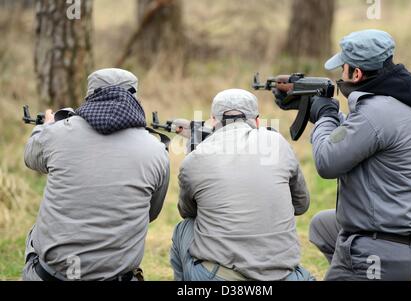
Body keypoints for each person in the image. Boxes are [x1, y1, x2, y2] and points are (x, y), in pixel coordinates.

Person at [295, 29, 411, 280]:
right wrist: (320, 114)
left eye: (344, 68)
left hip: (385, 250)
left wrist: (326, 117)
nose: (341, 75)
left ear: (357, 73)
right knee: (322, 226)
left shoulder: (375, 113)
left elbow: (327, 162)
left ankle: (360, 273)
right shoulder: (400, 99)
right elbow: (359, 134)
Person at [22, 68, 170, 281]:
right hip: (116, 276)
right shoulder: (156, 150)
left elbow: (31, 158)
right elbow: (150, 213)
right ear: (135, 97)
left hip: (53, 275)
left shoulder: (57, 133)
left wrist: (44, 128)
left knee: (36, 234)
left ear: (90, 95)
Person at [170, 89, 314, 281]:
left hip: (220, 276)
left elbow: (187, 211)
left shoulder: (195, 158)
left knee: (183, 229)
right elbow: (301, 205)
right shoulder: (277, 143)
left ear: (213, 120)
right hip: (283, 275)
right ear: (256, 120)